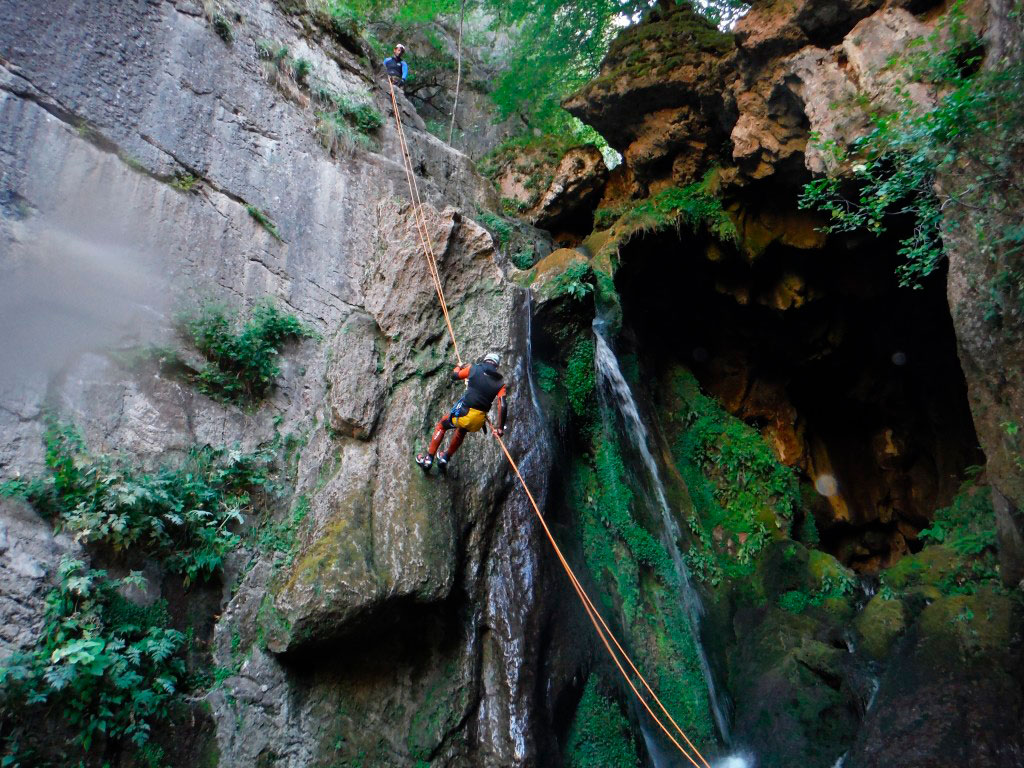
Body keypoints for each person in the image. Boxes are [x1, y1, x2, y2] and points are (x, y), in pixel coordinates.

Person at [416, 352, 508, 473]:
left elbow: (454, 375)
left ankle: (428, 460)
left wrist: (458, 367)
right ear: (496, 366)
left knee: (441, 426)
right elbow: (503, 404)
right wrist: (500, 428)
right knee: (461, 431)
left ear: (485, 361)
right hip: (477, 422)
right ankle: (444, 458)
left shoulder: (474, 369)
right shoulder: (500, 382)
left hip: (464, 414)